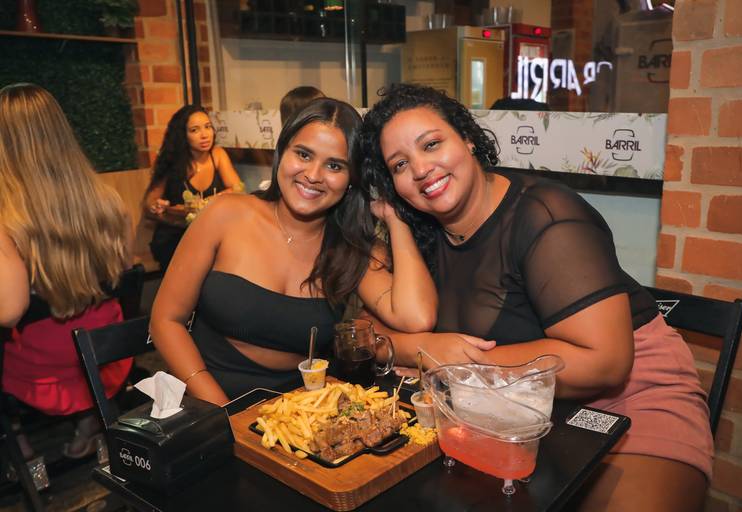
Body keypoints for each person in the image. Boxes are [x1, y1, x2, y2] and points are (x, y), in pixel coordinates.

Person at [358, 83, 712, 511]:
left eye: (431, 144)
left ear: (467, 138)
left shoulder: (546, 215)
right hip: (515, 415)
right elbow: (367, 329)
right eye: (400, 164)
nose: (420, 168)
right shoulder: (423, 233)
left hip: (629, 402)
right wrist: (424, 348)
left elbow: (605, 363)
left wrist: (455, 365)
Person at [150, 98, 437, 405]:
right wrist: (223, 413)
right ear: (282, 153)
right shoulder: (225, 214)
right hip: (205, 400)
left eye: (334, 165)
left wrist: (394, 216)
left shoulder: (349, 247)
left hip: (297, 412)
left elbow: (416, 317)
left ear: (351, 180)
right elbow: (166, 320)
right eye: (303, 154)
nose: (313, 175)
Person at [0, 83, 134, 459]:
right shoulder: (109, 201)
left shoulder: (9, 220)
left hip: (45, 370)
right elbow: (123, 272)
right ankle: (89, 423)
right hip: (107, 352)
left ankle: (20, 448)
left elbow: (9, 311)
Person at [144, 105, 242, 272]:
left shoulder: (218, 154)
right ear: (183, 135)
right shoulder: (171, 160)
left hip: (211, 234)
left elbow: (237, 189)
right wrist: (156, 205)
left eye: (208, 127)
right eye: (195, 130)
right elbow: (149, 202)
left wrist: (208, 201)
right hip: (176, 237)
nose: (204, 135)